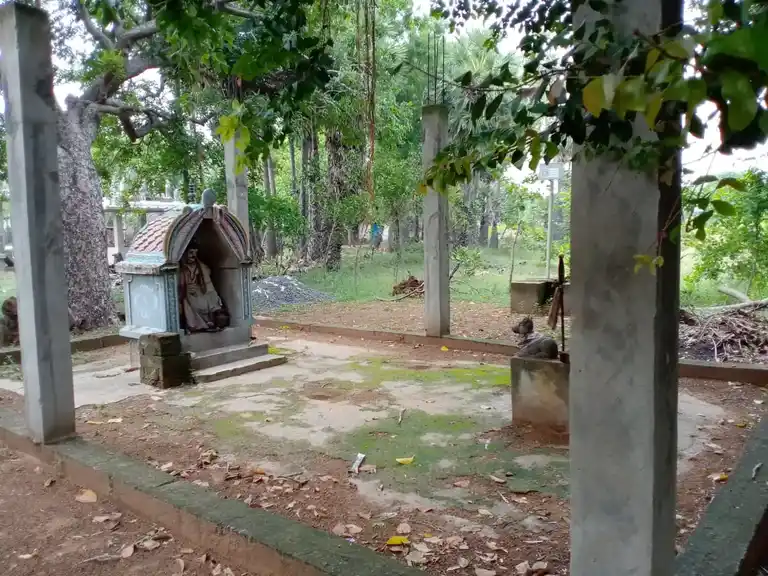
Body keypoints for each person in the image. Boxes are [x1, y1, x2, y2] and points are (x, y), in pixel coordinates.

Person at [179, 239, 229, 332]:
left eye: (195, 253)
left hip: (200, 290)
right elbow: (181, 286)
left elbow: (207, 281)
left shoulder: (201, 267)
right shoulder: (182, 269)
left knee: (212, 298)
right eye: (191, 253)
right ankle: (200, 325)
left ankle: (211, 322)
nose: (193, 255)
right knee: (189, 302)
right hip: (188, 292)